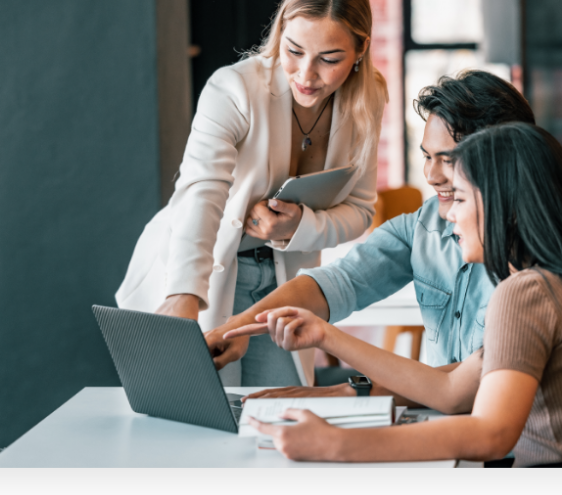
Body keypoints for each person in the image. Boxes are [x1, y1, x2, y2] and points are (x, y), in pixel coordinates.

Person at [227, 122, 562, 468]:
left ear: (508, 209)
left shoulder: (527, 293)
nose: (448, 215)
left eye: (461, 199)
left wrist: (336, 445)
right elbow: (450, 392)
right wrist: (325, 337)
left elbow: (490, 433)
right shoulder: (559, 281)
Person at [206, 70, 535, 404]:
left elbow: (463, 390)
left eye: (448, 159)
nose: (431, 175)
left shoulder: (534, 268)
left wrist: (341, 392)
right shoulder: (424, 225)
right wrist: (236, 327)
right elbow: (337, 282)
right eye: (426, 156)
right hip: (433, 422)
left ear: (501, 158)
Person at [116, 0, 388, 387]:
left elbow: (360, 210)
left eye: (330, 59)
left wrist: (298, 227)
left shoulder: (368, 97)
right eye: (293, 51)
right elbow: (202, 191)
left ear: (361, 49)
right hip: (200, 268)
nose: (307, 74)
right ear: (280, 34)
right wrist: (183, 293)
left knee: (280, 416)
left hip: (284, 283)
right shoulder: (233, 88)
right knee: (203, 427)